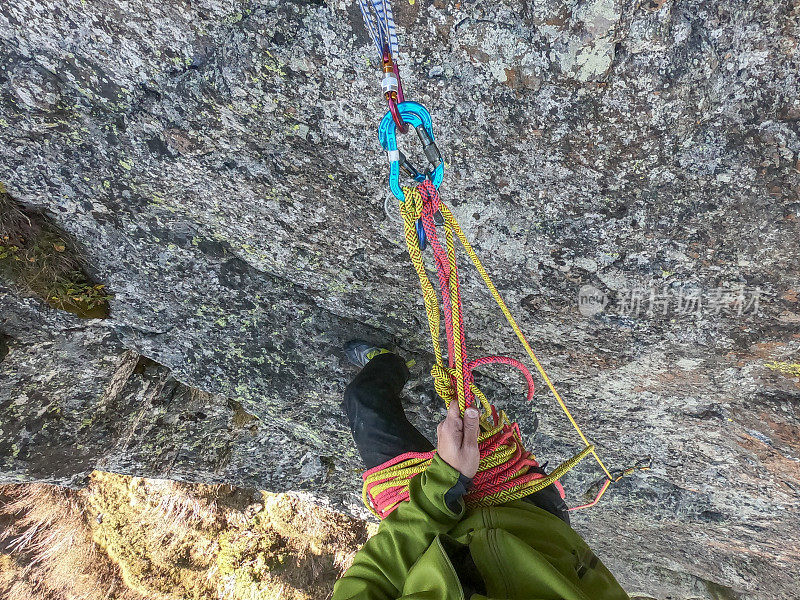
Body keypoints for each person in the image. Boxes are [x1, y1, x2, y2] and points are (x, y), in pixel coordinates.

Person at [332, 341, 629, 600]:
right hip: (530, 513)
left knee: (363, 399)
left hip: (424, 525)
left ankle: (392, 362)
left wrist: (446, 479)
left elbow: (374, 578)